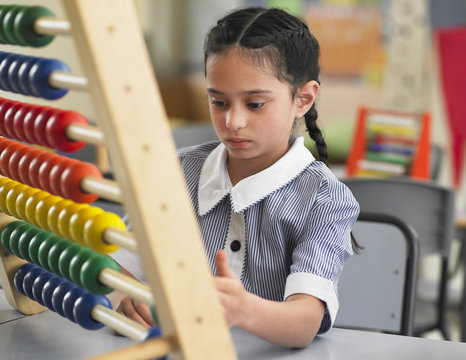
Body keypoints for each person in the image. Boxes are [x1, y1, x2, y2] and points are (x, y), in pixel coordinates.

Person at [115, 6, 360, 348]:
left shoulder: (324, 199)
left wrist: (244, 310)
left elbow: (305, 320)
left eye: (255, 104)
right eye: (218, 102)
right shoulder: (176, 172)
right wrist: (125, 295)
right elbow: (118, 267)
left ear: (303, 98)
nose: (233, 122)